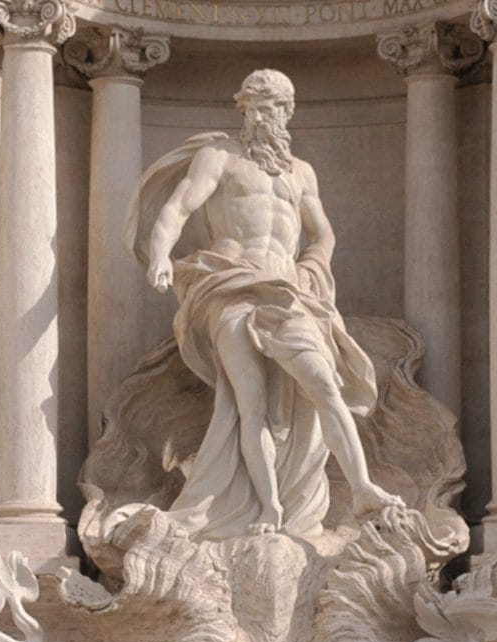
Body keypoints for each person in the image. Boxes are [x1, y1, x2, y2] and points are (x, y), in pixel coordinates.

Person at [131, 68, 405, 537]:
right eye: (253, 108)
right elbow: (177, 207)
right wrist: (160, 255)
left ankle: (362, 488)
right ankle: (270, 507)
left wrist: (313, 269)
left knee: (324, 384)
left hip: (287, 290)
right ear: (242, 110)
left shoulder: (301, 173)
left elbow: (323, 233)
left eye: (270, 108)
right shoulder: (219, 157)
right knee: (249, 403)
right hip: (231, 286)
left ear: (287, 111)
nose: (261, 117)